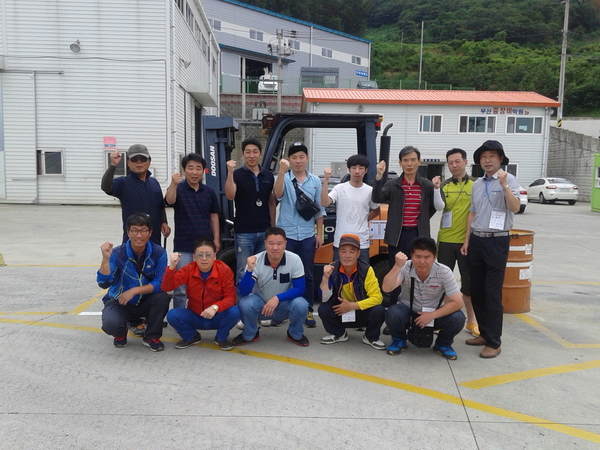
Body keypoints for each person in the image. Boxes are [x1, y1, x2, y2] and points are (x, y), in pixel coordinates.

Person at [461, 140, 520, 359]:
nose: (487, 160)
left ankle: (494, 342)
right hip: (477, 240)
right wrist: (467, 241)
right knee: (477, 290)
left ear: (500, 159)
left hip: (497, 241)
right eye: (484, 156)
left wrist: (504, 186)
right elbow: (472, 213)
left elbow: (516, 207)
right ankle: (484, 334)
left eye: (492, 156)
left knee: (492, 293)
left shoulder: (509, 179)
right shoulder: (477, 184)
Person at [372, 146, 442, 306]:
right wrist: (379, 176)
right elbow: (377, 198)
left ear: (419, 161)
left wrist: (422, 221)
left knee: (419, 272)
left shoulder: (426, 185)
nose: (409, 164)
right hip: (397, 236)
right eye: (405, 160)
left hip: (418, 235)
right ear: (400, 163)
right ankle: (395, 310)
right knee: (397, 272)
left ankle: (417, 309)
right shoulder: (393, 184)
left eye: (412, 160)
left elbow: (433, 207)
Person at [382, 237, 465, 360]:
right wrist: (397, 266)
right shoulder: (406, 267)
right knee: (393, 312)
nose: (422, 261)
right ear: (411, 256)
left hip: (434, 313)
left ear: (434, 257)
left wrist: (431, 315)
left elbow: (458, 303)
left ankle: (443, 344)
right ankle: (399, 340)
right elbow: (386, 288)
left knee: (458, 318)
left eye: (427, 257)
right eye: (418, 256)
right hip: (409, 311)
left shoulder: (444, 272)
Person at [97, 213, 170, 352]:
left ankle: (151, 336)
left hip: (145, 300)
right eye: (134, 230)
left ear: (150, 233)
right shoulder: (117, 253)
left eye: (143, 230)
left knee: (162, 297)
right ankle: (121, 331)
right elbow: (104, 283)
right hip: (120, 301)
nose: (139, 236)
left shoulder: (159, 252)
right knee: (111, 325)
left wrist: (134, 291)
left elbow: (160, 282)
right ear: (128, 232)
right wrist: (105, 259)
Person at [273, 142, 324, 328]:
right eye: (294, 157)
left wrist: (319, 234)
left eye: (301, 157)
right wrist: (281, 171)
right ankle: (282, 311)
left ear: (307, 158)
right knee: (283, 274)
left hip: (307, 235)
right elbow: (277, 194)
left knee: (307, 274)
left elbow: (319, 209)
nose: (298, 161)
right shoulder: (283, 177)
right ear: (289, 159)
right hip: (286, 235)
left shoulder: (315, 181)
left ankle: (308, 310)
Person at [232, 227, 309, 347]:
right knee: (245, 303)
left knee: (301, 304)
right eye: (271, 243)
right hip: (261, 304)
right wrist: (249, 270)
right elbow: (244, 291)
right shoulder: (256, 260)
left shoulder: (295, 259)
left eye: (279, 243)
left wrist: (277, 298)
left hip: (284, 304)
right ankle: (250, 334)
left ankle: (295, 334)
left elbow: (300, 289)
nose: (275, 247)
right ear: (265, 243)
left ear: (285, 243)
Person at [432, 148, 479, 337]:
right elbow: (437, 207)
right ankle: (442, 319)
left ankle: (471, 321)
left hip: (467, 242)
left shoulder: (476, 184)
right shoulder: (443, 186)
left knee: (468, 283)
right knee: (443, 282)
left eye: (457, 161)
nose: (454, 165)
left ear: (466, 162)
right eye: (450, 162)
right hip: (445, 240)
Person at [162, 238, 240, 351]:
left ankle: (221, 338)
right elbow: (166, 287)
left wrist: (215, 307)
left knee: (235, 311)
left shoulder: (224, 269)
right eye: (200, 255)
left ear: (214, 256)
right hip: (196, 315)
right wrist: (172, 267)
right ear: (194, 257)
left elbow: (231, 297)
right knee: (172, 315)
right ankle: (192, 336)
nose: (204, 258)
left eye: (208, 255)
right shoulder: (189, 269)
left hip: (217, 315)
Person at [165, 153, 221, 309]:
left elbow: (214, 216)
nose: (194, 172)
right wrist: (173, 184)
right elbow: (169, 200)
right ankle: (178, 316)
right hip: (183, 246)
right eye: (190, 168)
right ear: (184, 170)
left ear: (203, 171)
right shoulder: (178, 188)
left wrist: (216, 240)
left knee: (205, 284)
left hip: (205, 246)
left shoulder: (209, 191)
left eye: (198, 168)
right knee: (180, 288)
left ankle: (203, 313)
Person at [318, 234, 386, 349]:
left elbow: (378, 298)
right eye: (343, 251)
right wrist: (325, 278)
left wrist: (352, 306)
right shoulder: (332, 269)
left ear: (358, 254)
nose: (347, 256)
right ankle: (339, 334)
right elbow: (324, 299)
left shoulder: (366, 270)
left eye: (352, 251)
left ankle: (371, 337)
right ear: (338, 252)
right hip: (340, 311)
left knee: (379, 310)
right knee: (323, 308)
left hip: (360, 311)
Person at [225, 137, 276, 283]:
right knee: (243, 270)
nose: (251, 155)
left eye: (255, 152)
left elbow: (271, 201)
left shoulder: (268, 175)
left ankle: (260, 297)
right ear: (242, 154)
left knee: (262, 270)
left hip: (264, 230)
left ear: (260, 154)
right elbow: (230, 195)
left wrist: (272, 225)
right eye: (248, 152)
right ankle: (243, 297)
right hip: (244, 232)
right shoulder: (237, 174)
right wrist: (230, 173)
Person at [101, 144, 171, 246]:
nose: (139, 162)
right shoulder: (122, 183)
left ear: (149, 161)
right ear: (128, 162)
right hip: (133, 240)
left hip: (154, 238)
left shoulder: (154, 182)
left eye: (143, 159)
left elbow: (160, 205)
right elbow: (106, 187)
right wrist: (113, 165)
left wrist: (164, 222)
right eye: (134, 159)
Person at [321, 155, 380, 264]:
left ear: (366, 170)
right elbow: (324, 203)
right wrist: (326, 180)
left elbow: (377, 210)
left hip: (361, 242)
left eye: (361, 168)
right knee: (338, 272)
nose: (357, 171)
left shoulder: (370, 191)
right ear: (349, 169)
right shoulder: (340, 188)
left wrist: (364, 219)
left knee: (362, 273)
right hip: (341, 242)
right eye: (354, 167)